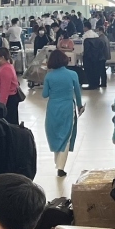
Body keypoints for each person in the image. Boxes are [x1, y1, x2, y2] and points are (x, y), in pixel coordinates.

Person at [42, 49, 84, 178]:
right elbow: (77, 93)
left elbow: (45, 95)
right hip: (67, 107)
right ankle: (61, 167)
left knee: (55, 134)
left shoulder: (49, 76)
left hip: (53, 107)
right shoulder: (72, 74)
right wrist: (80, 106)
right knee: (66, 135)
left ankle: (57, 163)